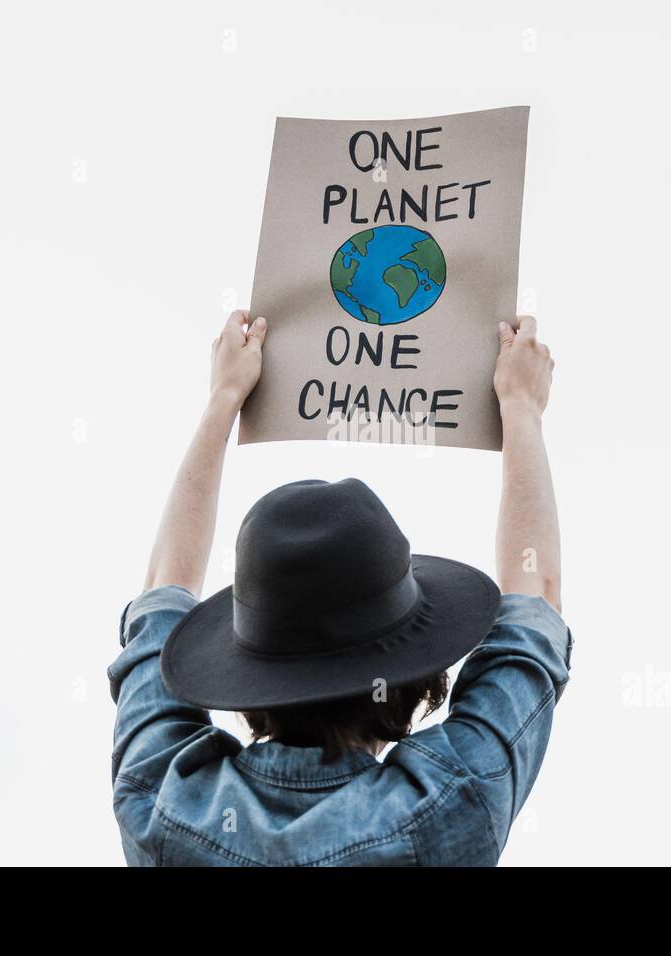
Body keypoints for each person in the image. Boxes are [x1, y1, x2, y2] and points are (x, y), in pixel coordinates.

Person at [108, 310, 570, 866]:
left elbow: (164, 588)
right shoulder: (451, 802)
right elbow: (534, 592)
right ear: (412, 681)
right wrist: (522, 409)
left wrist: (224, 399)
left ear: (247, 676)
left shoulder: (162, 802)